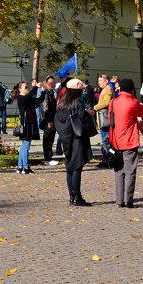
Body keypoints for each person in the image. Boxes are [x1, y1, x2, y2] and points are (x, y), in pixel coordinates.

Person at [110, 78, 143, 207]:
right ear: (132, 89)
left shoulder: (113, 102)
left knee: (119, 171)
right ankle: (129, 200)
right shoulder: (132, 102)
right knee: (130, 171)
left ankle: (119, 200)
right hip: (129, 141)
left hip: (115, 141)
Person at [54, 78, 93, 206]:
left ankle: (72, 196)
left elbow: (58, 121)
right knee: (77, 167)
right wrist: (88, 114)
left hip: (66, 138)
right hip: (77, 138)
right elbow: (82, 117)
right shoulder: (76, 102)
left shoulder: (62, 103)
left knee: (70, 167)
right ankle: (77, 196)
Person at [15, 81, 44, 174]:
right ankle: (25, 167)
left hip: (31, 123)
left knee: (24, 146)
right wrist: (35, 87)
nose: (27, 89)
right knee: (26, 146)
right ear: (20, 90)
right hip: (26, 125)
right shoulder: (21, 98)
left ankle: (20, 166)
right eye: (25, 87)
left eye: (27, 87)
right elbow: (29, 96)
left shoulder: (28, 98)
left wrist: (43, 91)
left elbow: (39, 100)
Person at [93, 73, 115, 168]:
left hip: (106, 119)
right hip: (104, 119)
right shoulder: (105, 89)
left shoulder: (107, 89)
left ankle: (107, 161)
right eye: (98, 81)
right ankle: (107, 159)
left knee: (105, 141)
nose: (99, 83)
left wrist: (95, 107)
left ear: (106, 81)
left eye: (101, 81)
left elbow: (106, 102)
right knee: (106, 141)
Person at [39, 76, 59, 166]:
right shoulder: (46, 93)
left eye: (54, 83)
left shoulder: (52, 93)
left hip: (53, 119)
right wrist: (49, 121)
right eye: (51, 83)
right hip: (48, 120)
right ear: (47, 84)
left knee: (50, 140)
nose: (53, 85)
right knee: (47, 140)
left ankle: (49, 157)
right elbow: (45, 108)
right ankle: (47, 158)